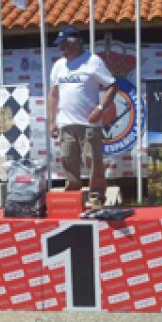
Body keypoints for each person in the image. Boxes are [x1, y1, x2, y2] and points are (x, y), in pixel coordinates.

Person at [48, 25, 117, 205]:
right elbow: (53, 94)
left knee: (93, 161)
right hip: (66, 123)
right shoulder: (58, 66)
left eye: (64, 44)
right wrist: (51, 121)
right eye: (60, 45)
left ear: (76, 43)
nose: (61, 49)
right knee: (67, 158)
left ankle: (97, 197)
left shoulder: (93, 61)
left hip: (89, 123)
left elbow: (112, 85)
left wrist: (101, 108)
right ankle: (72, 195)